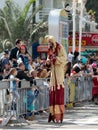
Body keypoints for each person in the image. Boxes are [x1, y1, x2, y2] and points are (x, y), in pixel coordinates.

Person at [45, 35, 67, 123]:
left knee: (59, 95)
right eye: (48, 42)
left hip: (59, 73)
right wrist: (48, 61)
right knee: (52, 95)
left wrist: (55, 59)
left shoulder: (60, 47)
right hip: (52, 75)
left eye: (50, 42)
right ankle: (53, 115)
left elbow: (64, 58)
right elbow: (48, 59)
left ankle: (59, 116)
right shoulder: (49, 49)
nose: (49, 43)